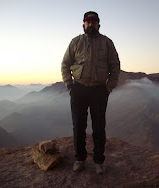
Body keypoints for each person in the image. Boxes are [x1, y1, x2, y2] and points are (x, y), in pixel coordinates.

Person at [61, 11, 120, 174]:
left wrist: (110, 86)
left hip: (99, 90)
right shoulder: (76, 42)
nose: (91, 25)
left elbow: (115, 65)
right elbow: (65, 64)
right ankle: (80, 159)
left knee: (99, 127)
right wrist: (69, 86)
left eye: (94, 22)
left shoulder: (107, 43)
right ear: (83, 25)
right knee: (79, 126)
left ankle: (98, 161)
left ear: (98, 25)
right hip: (79, 88)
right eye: (88, 22)